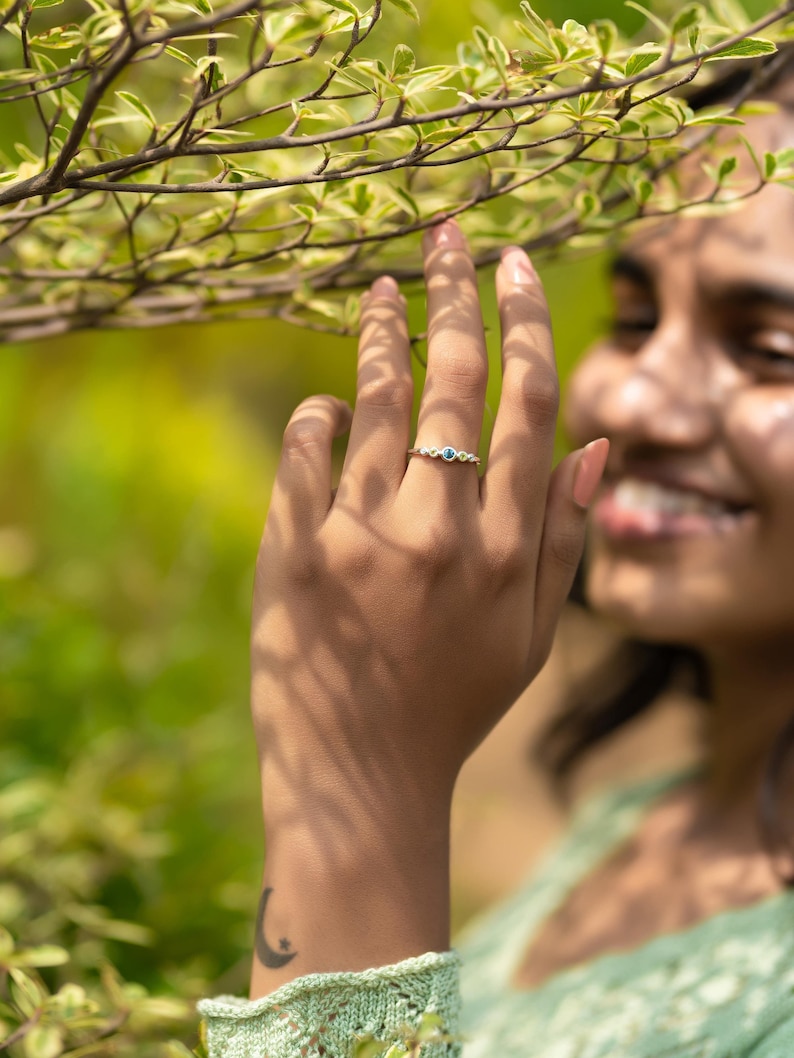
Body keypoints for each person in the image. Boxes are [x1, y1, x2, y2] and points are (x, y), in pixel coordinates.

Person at [198, 58, 794, 1058]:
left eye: (769, 348)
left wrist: (358, 787)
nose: (626, 398)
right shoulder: (637, 823)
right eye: (633, 319)